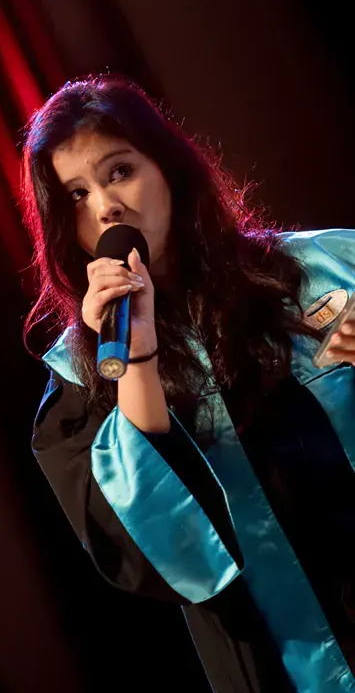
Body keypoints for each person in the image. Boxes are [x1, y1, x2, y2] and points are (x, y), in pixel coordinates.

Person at [21, 73, 355, 693]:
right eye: (76, 195)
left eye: (120, 172)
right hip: (287, 665)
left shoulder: (328, 271)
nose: (105, 207)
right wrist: (137, 357)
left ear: (169, 168)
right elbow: (156, 548)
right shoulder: (82, 385)